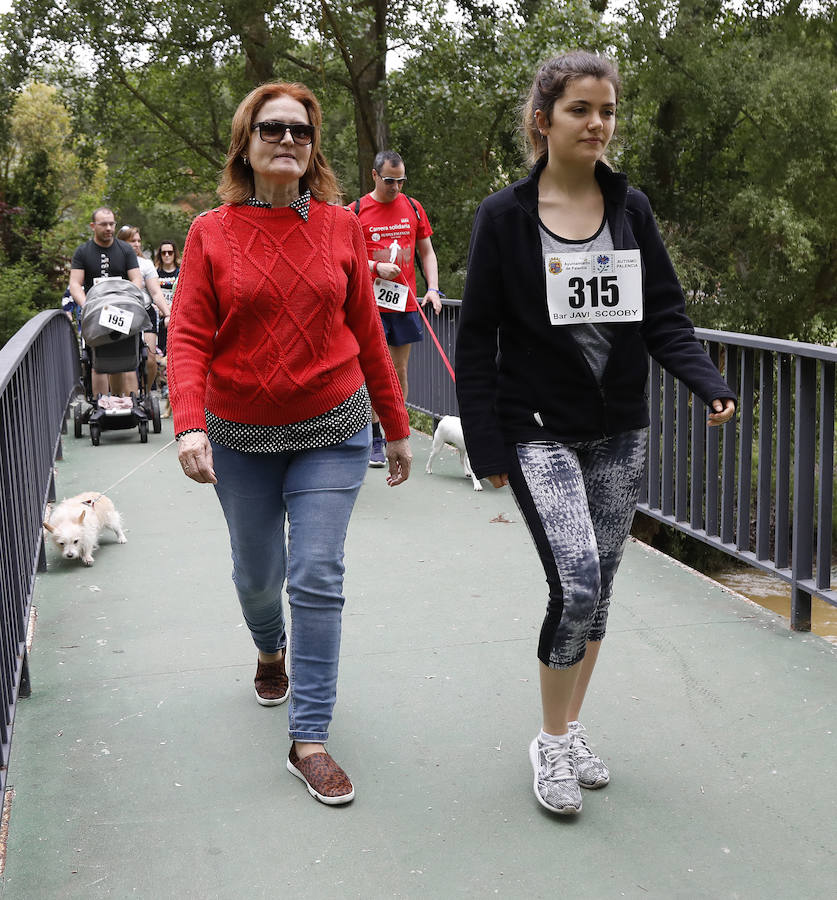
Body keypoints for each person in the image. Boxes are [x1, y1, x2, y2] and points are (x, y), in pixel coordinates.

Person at [455, 51, 736, 816]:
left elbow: (663, 316)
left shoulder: (629, 209)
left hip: (618, 429)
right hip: (536, 430)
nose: (597, 123)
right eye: (581, 108)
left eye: (607, 110)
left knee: (601, 594)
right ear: (543, 120)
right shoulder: (503, 218)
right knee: (575, 580)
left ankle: (570, 725)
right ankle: (548, 743)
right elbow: (475, 341)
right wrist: (487, 449)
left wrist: (706, 382)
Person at [167, 81, 412, 806]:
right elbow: (185, 336)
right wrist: (187, 423)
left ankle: (309, 738)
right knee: (255, 575)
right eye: (270, 129)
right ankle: (269, 651)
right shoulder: (211, 232)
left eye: (299, 132)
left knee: (316, 574)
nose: (285, 141)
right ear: (244, 143)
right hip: (240, 432)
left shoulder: (340, 227)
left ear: (313, 150)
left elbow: (368, 333)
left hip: (331, 428)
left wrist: (395, 429)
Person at [348, 150, 442, 467]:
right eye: (390, 181)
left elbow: (426, 252)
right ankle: (374, 438)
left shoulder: (413, 208)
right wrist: (375, 266)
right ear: (375, 176)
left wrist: (432, 289)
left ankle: (395, 435)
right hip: (369, 307)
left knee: (399, 371)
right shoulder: (356, 211)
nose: (396, 188)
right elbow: (345, 259)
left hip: (403, 305)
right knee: (374, 373)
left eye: (401, 181)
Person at [69, 207, 145, 396]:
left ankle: (119, 401)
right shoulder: (83, 252)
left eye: (112, 224)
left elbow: (136, 279)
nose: (109, 228)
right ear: (93, 226)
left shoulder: (125, 249)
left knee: (120, 357)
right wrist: (86, 305)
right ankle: (100, 404)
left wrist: (130, 297)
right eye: (104, 224)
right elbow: (75, 284)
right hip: (95, 312)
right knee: (97, 362)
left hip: (122, 311)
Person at [117, 226, 171, 390]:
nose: (137, 244)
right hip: (122, 313)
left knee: (150, 359)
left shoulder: (145, 264)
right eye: (132, 241)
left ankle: (147, 393)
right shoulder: (115, 262)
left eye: (139, 241)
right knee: (124, 358)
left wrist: (168, 314)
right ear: (122, 242)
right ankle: (128, 396)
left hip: (145, 311)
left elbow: (156, 293)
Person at [154, 239, 181, 356]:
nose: (167, 255)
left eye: (170, 252)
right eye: (163, 253)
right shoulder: (154, 273)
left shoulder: (181, 273)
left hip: (176, 313)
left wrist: (169, 309)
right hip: (158, 314)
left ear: (174, 254)